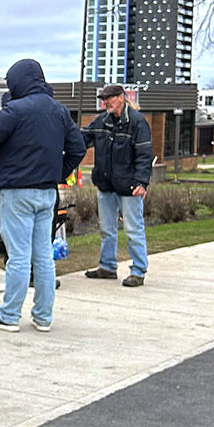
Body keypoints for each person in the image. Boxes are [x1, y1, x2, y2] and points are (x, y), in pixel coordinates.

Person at [0, 59, 85, 333]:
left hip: (16, 192)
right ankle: (43, 317)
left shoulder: (15, 110)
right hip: (47, 193)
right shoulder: (59, 111)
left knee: (19, 257)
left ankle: (10, 315)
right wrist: (59, 173)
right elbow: (78, 148)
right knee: (44, 256)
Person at [82, 84, 153, 287]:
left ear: (121, 97)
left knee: (133, 229)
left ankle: (138, 271)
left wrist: (142, 182)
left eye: (109, 99)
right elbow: (82, 138)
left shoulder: (137, 123)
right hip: (106, 185)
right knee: (107, 228)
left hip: (130, 187)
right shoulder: (102, 121)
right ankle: (107, 266)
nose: (105, 103)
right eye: (103, 99)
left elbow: (144, 155)